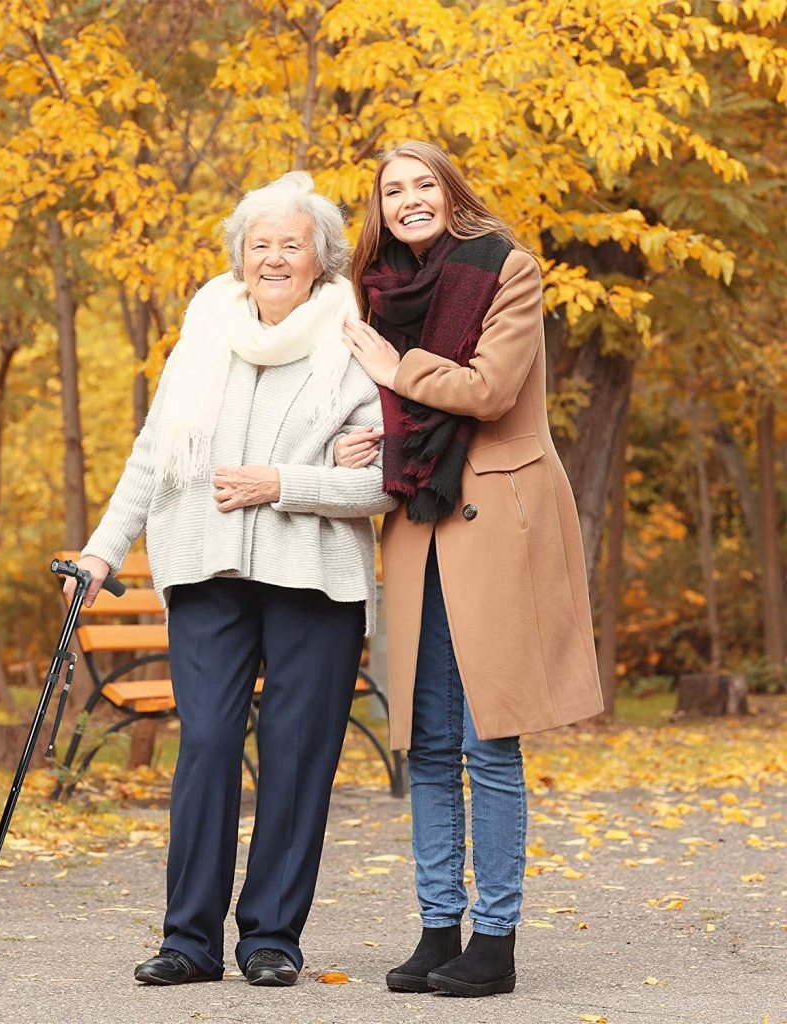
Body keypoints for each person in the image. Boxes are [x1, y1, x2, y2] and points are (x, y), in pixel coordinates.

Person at [64, 172, 396, 988]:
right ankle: (189, 940)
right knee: (208, 744)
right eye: (261, 245)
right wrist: (103, 552)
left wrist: (282, 484)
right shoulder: (204, 332)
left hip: (314, 576)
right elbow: (152, 454)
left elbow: (391, 482)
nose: (274, 258)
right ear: (239, 257)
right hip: (203, 566)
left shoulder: (357, 342)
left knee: (298, 753)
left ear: (321, 258)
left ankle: (272, 938)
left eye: (292, 245)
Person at [337, 140, 603, 998]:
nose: (409, 200)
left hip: (497, 517)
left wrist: (393, 370)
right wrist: (377, 432)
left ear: (451, 193)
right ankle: (435, 927)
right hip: (421, 517)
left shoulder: (507, 269)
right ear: (379, 210)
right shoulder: (380, 293)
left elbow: (489, 391)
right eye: (393, 191)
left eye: (424, 185)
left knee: (491, 739)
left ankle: (495, 942)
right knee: (426, 740)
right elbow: (408, 407)